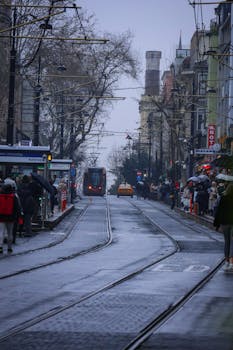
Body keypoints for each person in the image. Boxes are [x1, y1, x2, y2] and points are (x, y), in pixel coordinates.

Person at [213, 183, 233, 272]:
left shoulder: (223, 198)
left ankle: (227, 261)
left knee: (227, 242)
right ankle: (232, 262)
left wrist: (217, 225)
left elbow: (219, 211)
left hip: (225, 223)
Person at [0, 183, 22, 254]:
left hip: (1, 217)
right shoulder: (14, 197)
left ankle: (0, 246)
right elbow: (17, 208)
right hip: (11, 218)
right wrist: (18, 216)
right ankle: (9, 248)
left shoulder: (0, 196)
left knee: (1, 232)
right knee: (10, 233)